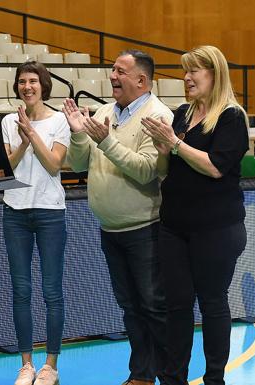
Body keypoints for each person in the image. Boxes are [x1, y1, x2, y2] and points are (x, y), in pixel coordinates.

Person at [62, 50, 173, 385]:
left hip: (146, 228)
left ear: (141, 80)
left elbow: (145, 171)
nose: (112, 75)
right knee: (130, 307)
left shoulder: (158, 116)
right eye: (112, 69)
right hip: (110, 228)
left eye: (120, 71)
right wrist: (79, 133)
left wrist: (106, 140)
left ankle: (170, 375)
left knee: (153, 306)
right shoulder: (106, 111)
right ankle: (141, 375)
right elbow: (79, 164)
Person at [140, 45, 249, 385]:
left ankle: (215, 378)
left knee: (213, 303)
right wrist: (162, 150)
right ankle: (174, 378)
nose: (186, 78)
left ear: (214, 75)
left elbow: (216, 167)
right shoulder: (182, 114)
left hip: (216, 228)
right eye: (184, 71)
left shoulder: (232, 117)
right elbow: (169, 166)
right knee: (177, 305)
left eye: (194, 71)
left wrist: (175, 145)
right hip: (174, 225)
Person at [1, 61, 71, 385]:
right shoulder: (6, 122)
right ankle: (26, 365)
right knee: (21, 290)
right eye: (21, 82)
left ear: (43, 85)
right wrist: (23, 141)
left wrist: (32, 133)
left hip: (49, 213)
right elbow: (8, 168)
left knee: (52, 291)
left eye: (33, 81)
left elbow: (54, 165)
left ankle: (50, 366)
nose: (27, 86)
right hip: (15, 212)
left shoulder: (59, 121)